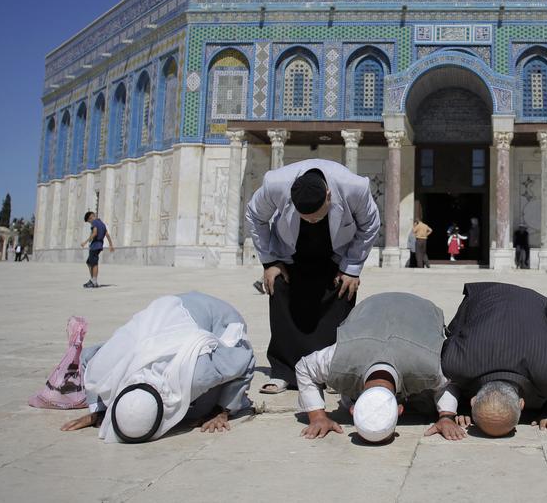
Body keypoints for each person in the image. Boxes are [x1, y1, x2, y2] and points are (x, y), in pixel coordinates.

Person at [244, 159, 380, 394]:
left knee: (342, 293)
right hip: (290, 252)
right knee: (278, 288)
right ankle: (284, 371)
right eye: (306, 217)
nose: (312, 221)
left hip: (336, 253)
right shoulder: (275, 183)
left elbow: (369, 224)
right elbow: (255, 216)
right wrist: (270, 261)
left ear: (329, 196)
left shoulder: (354, 186)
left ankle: (332, 370)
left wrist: (352, 267)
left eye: (316, 216)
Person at [60, 291, 255, 442]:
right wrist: (99, 409)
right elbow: (88, 357)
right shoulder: (101, 368)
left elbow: (244, 358)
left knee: (214, 383)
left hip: (215, 315)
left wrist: (222, 411)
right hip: (165, 314)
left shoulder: (198, 374)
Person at [294, 292, 466, 442]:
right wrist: (316, 416)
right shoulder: (338, 359)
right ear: (400, 410)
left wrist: (446, 416)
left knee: (427, 400)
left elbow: (451, 378)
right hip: (370, 307)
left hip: (421, 309)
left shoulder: (429, 366)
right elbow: (304, 367)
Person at [440, 282, 547, 436]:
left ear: (473, 400)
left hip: (529, 302)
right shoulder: (456, 363)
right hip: (489, 297)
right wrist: (459, 408)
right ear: (521, 404)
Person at [80, 211, 113, 288]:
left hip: (95, 246)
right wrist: (111, 245)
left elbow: (94, 233)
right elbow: (107, 235)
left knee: (94, 263)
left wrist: (85, 242)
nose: (90, 223)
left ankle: (94, 281)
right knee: (89, 262)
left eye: (89, 221)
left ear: (91, 217)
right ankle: (92, 279)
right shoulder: (102, 224)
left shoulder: (94, 222)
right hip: (99, 245)